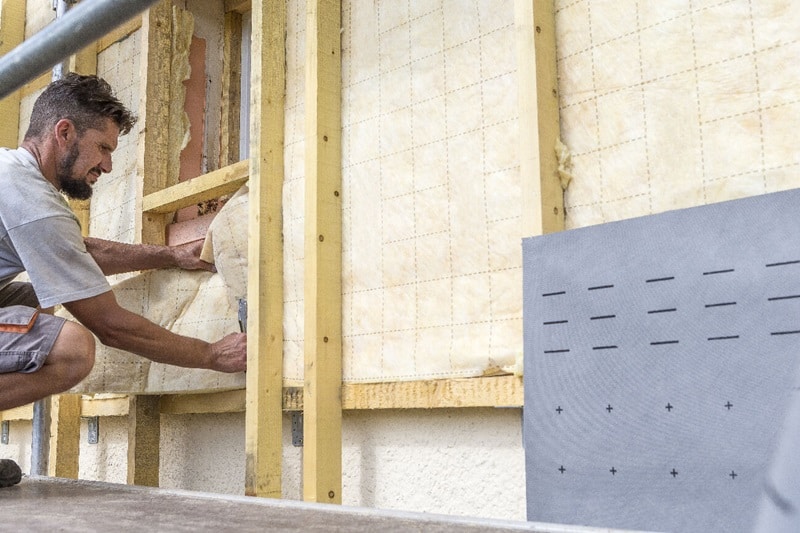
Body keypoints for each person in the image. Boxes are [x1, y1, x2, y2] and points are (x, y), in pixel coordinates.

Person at [0, 73, 247, 415]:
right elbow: (111, 327)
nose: (108, 165)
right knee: (73, 349)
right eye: (103, 148)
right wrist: (211, 354)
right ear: (64, 132)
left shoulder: (12, 173)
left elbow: (75, 251)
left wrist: (171, 256)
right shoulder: (35, 206)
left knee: (41, 298)